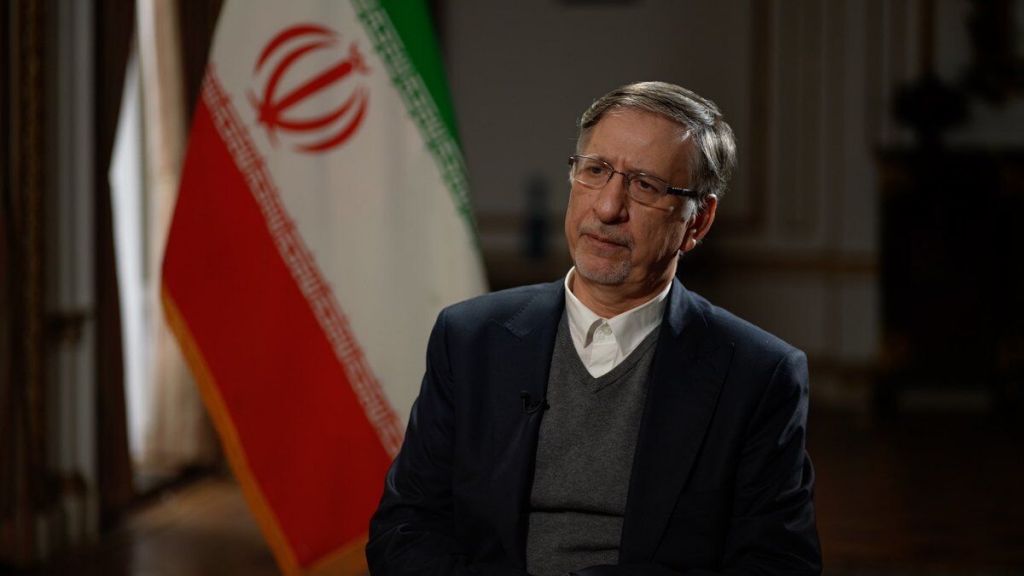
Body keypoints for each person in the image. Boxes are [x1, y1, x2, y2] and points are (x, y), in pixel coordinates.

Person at [367, 81, 821, 576]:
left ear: (698, 222)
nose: (607, 208)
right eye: (596, 170)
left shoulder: (758, 374)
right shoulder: (470, 338)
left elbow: (778, 564)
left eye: (645, 185)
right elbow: (405, 529)